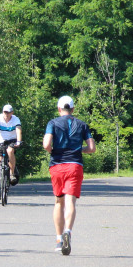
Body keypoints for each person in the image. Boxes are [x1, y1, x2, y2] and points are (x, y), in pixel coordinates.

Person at [42, 96, 95, 255]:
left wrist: (53, 151)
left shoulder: (52, 123)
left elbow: (46, 144)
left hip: (57, 165)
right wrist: (79, 150)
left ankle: (59, 240)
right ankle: (68, 232)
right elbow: (91, 148)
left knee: (59, 202)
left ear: (59, 109)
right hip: (75, 165)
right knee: (71, 201)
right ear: (72, 109)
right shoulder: (82, 124)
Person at [0, 104, 23, 201]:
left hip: (11, 141)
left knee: (10, 150)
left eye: (8, 112)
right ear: (2, 112)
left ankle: (11, 174)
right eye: (5, 112)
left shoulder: (15, 119)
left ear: (12, 112)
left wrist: (19, 141)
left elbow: (19, 131)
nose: (6, 114)